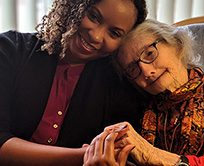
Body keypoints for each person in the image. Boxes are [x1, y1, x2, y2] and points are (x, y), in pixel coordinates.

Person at [83, 19, 204, 165]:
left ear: (176, 44)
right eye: (133, 68)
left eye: (149, 53)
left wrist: (151, 154)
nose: (146, 72)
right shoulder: (140, 113)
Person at [0, 0, 148, 165]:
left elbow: (119, 151)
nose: (96, 36)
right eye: (93, 16)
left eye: (114, 33)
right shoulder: (9, 49)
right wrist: (84, 155)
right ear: (73, 5)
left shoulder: (119, 84)